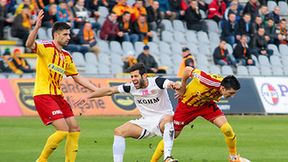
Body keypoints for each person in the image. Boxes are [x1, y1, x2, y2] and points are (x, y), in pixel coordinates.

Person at [25, 10, 99, 162]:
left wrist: (97, 90)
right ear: (56, 35)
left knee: (74, 128)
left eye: (69, 34)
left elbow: (76, 77)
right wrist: (37, 27)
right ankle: (41, 160)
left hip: (58, 96)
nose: (68, 37)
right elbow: (29, 44)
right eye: (65, 34)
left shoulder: (66, 56)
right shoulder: (45, 47)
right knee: (63, 130)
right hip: (43, 94)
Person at [75, 63, 179, 162]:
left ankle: (167, 157)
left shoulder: (157, 82)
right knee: (119, 131)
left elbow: (170, 84)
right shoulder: (131, 87)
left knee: (168, 118)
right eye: (132, 76)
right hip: (146, 122)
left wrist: (175, 85)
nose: (133, 79)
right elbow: (110, 91)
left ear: (144, 76)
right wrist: (88, 96)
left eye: (136, 76)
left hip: (162, 120)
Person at [150, 66, 249, 162]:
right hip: (187, 105)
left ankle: (233, 158)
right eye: (231, 93)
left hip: (205, 104)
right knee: (172, 135)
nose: (232, 96)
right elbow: (187, 70)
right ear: (223, 88)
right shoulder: (207, 80)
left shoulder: (223, 85)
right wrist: (183, 87)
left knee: (227, 129)